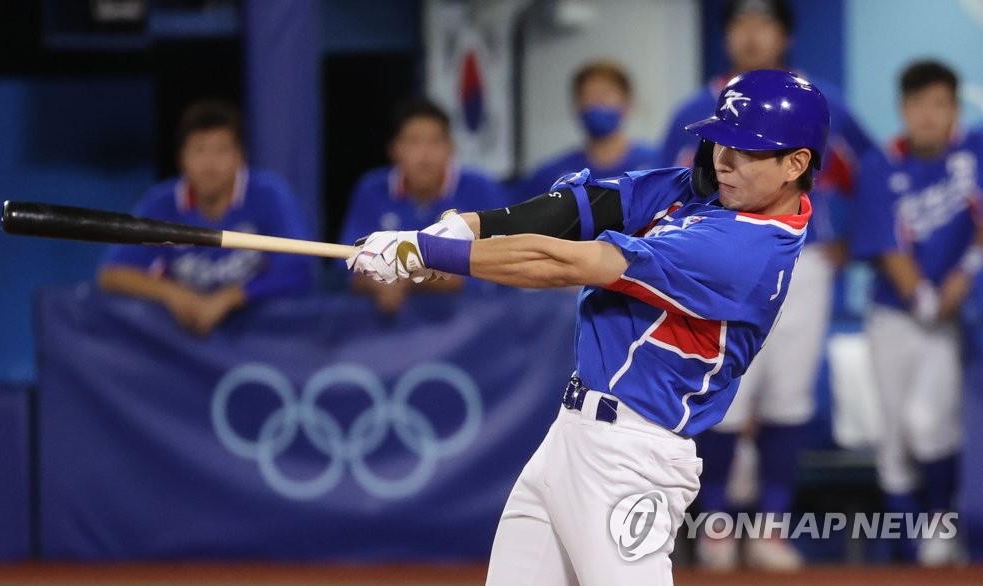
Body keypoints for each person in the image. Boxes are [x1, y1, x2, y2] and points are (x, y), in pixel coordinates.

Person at [348, 70, 829, 585]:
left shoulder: (744, 252)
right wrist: (465, 228)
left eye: (745, 149)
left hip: (630, 461)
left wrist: (428, 252)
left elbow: (563, 264)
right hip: (570, 437)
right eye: (719, 142)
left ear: (795, 164)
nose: (722, 160)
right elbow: (588, 207)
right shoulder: (709, 190)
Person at [658, 0, 879, 570]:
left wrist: (852, 244)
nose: (752, 36)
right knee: (720, 392)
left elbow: (873, 172)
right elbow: (664, 190)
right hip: (721, 263)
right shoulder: (697, 106)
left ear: (783, 35)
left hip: (801, 260)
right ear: (727, 34)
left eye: (764, 25)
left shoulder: (820, 101)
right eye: (740, 24)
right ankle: (715, 527)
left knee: (789, 393)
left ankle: (773, 528)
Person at [849, 60, 983, 566]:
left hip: (953, 319)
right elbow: (888, 247)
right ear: (903, 108)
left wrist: (964, 272)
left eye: (940, 105)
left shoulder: (975, 150)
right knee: (893, 441)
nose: (930, 116)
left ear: (954, 108)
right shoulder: (882, 164)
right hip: (894, 315)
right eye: (919, 105)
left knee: (928, 424)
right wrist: (924, 296)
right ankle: (906, 555)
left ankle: (939, 524)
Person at [98, 99, 315, 336]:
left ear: (241, 157)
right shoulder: (160, 203)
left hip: (264, 341)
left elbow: (300, 268)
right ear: (181, 159)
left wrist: (231, 298)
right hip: (183, 345)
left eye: (221, 150)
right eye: (199, 150)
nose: (210, 164)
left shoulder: (269, 194)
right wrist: (174, 294)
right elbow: (113, 273)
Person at [340, 96, 507, 313]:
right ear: (395, 149)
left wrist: (409, 278)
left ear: (451, 148)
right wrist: (375, 283)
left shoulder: (481, 188)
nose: (425, 154)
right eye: (414, 142)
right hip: (388, 331)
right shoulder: (371, 190)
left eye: (435, 141)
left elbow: (498, 265)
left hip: (475, 323)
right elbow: (349, 263)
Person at [516, 59, 657, 198]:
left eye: (604, 95)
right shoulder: (552, 177)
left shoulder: (657, 167)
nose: (594, 104)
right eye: (587, 96)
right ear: (576, 105)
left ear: (628, 104)